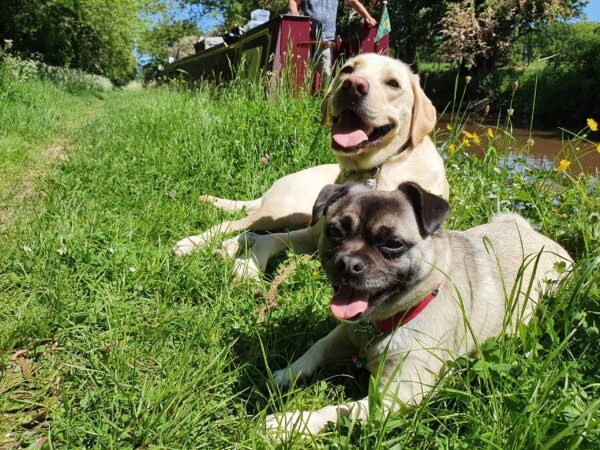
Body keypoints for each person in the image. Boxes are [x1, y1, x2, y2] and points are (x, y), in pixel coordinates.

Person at [288, 0, 377, 83]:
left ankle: (325, 98)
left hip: (326, 39)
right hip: (306, 38)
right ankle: (301, 99)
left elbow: (352, 1)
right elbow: (293, 1)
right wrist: (297, 17)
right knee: (302, 72)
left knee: (326, 74)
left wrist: (368, 17)